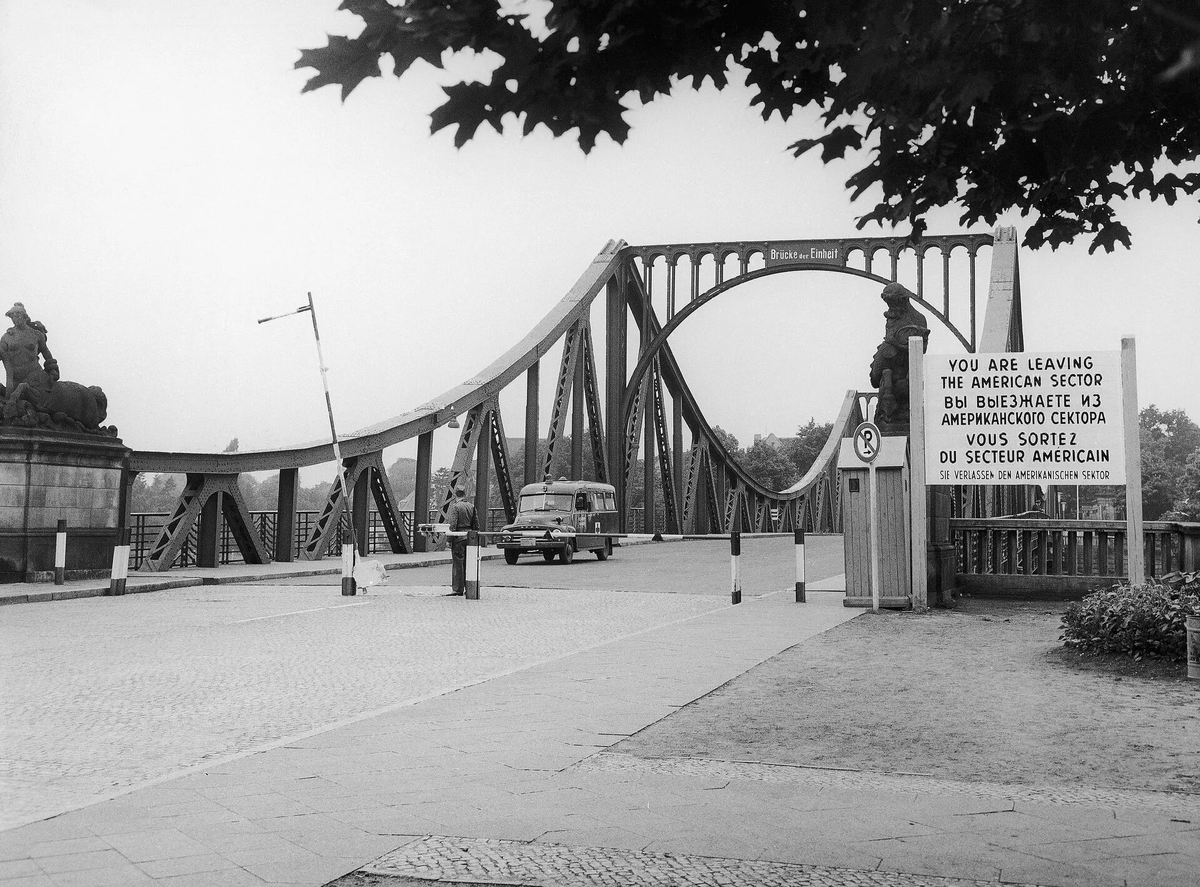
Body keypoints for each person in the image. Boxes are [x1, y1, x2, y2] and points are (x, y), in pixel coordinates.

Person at [446, 486, 478, 595]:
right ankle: (469, 588)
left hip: (458, 538)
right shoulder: (471, 506)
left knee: (458, 564)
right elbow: (476, 524)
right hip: (469, 537)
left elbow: (453, 524)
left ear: (455, 495)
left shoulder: (456, 507)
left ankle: (457, 589)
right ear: (464, 494)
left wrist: (449, 539)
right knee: (468, 564)